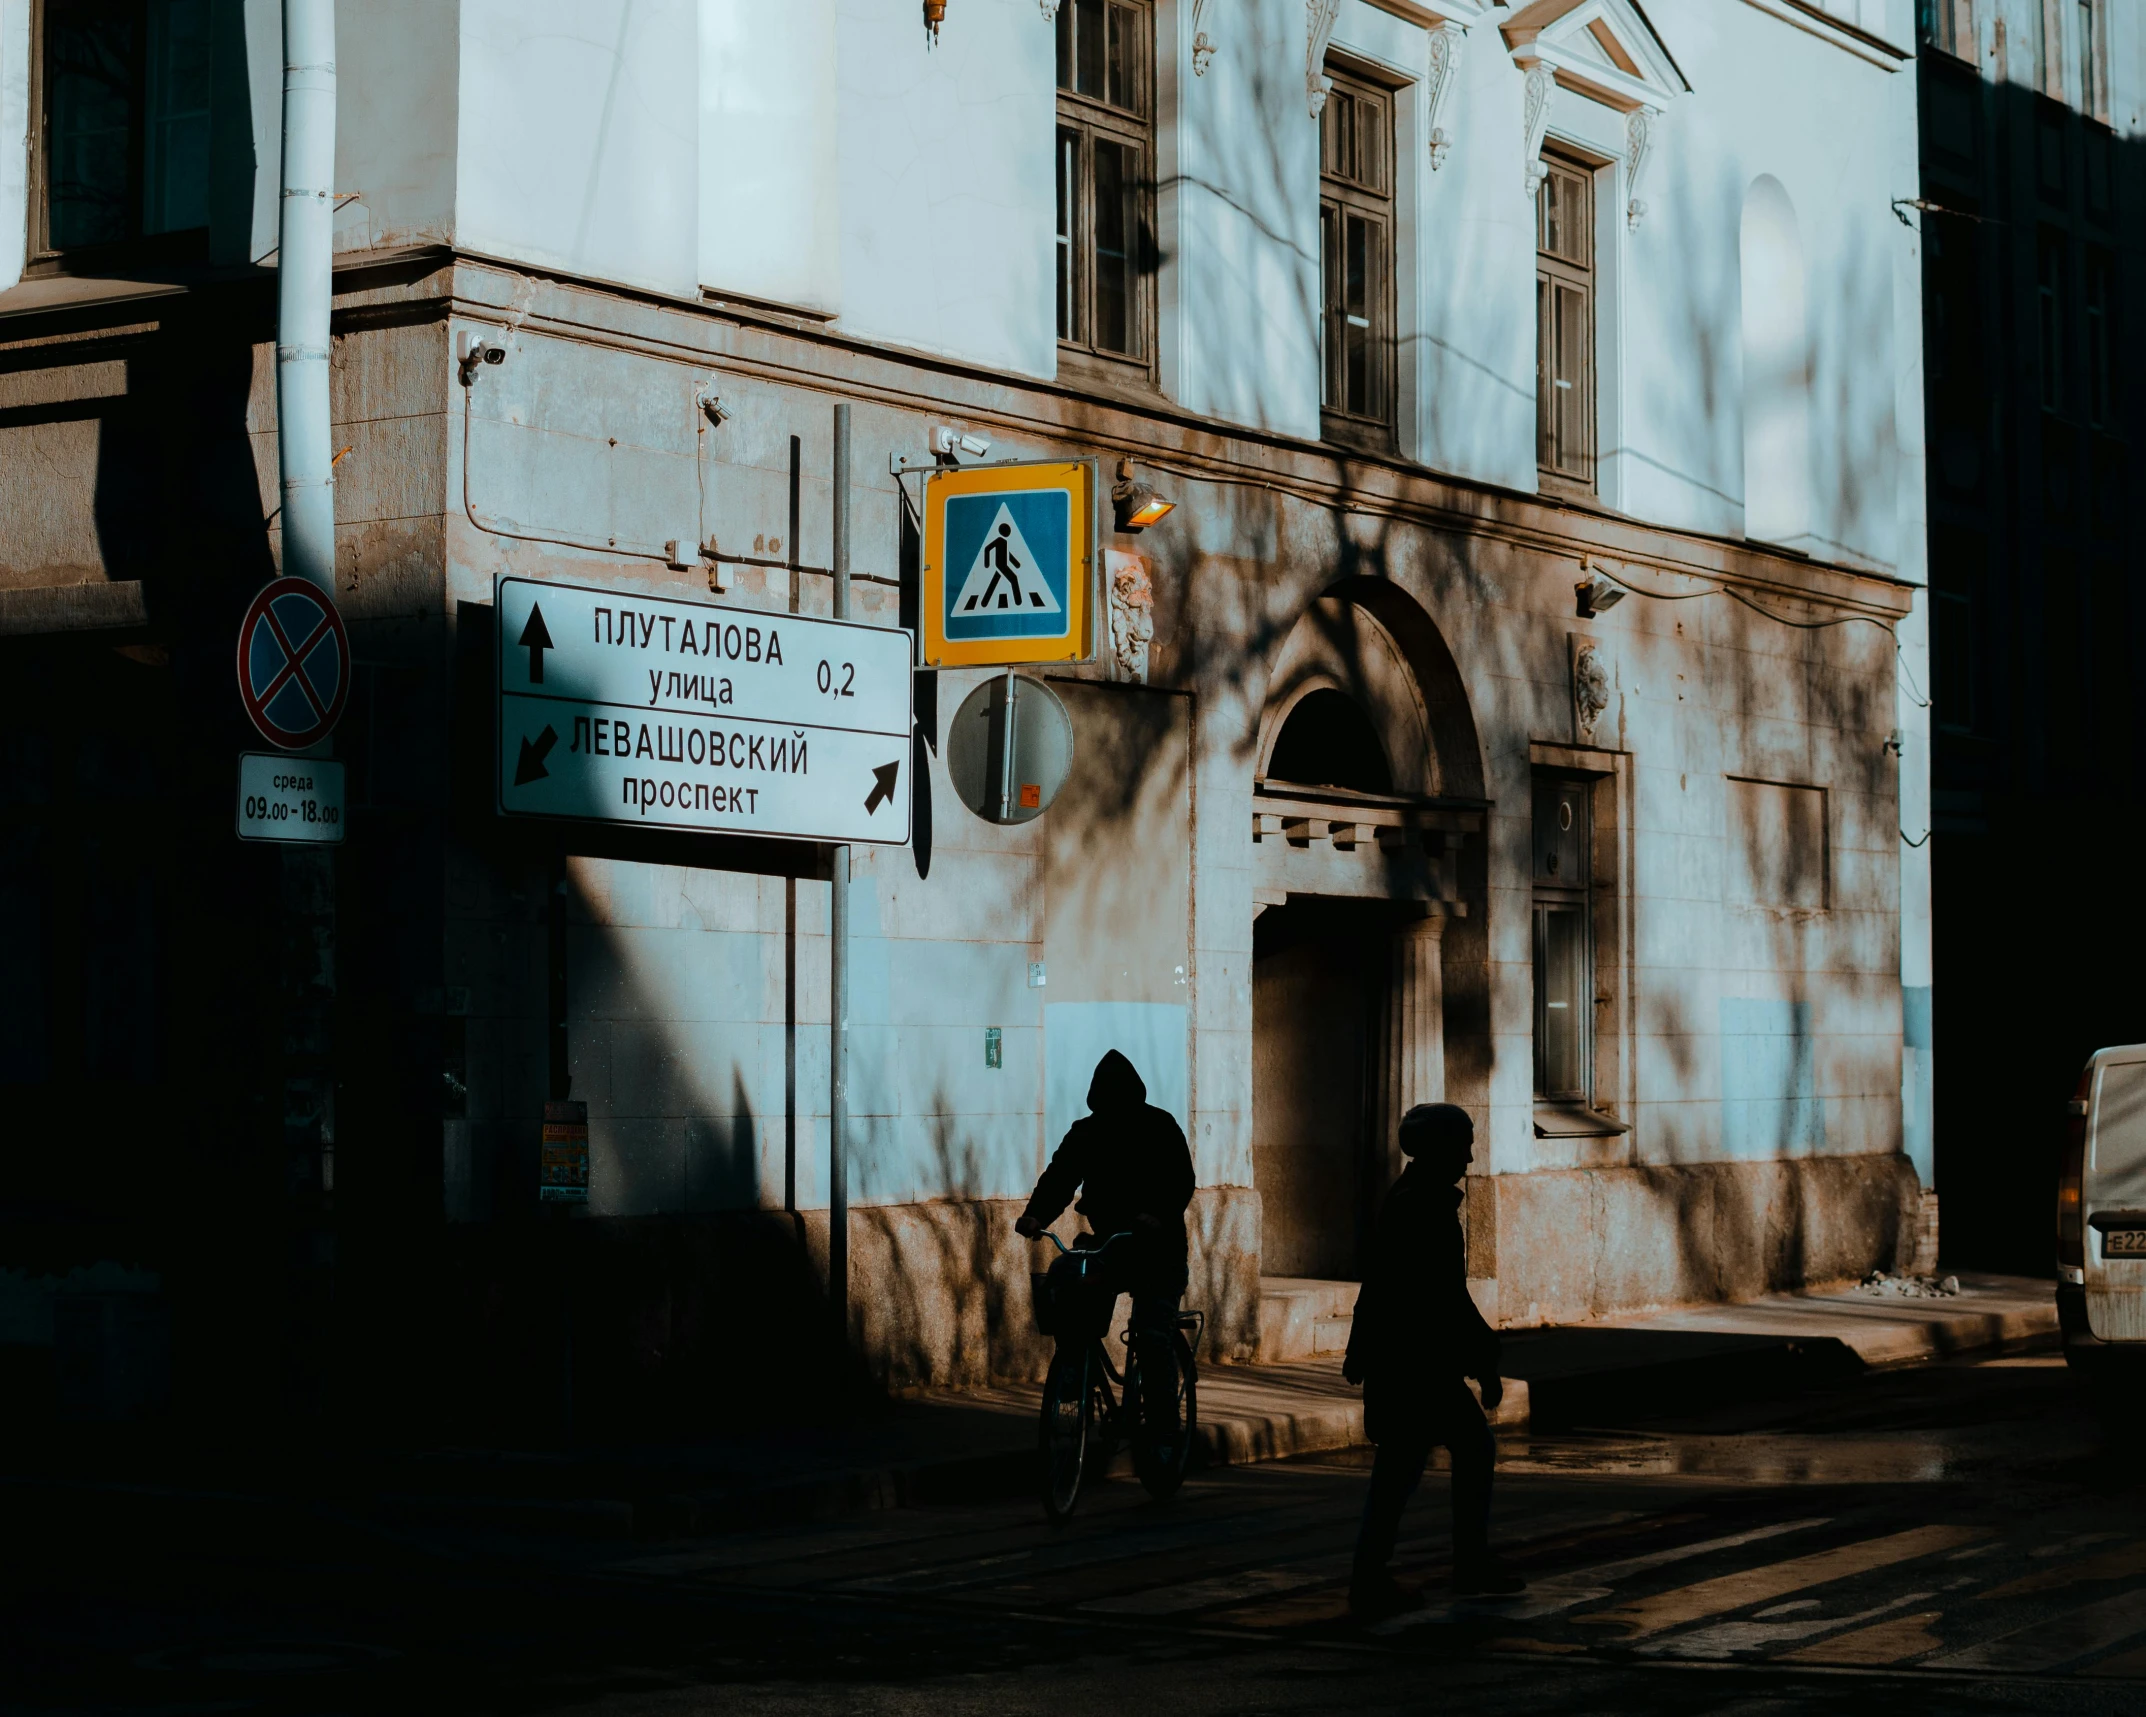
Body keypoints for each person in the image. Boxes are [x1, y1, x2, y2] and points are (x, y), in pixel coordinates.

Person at [1344, 1102, 1525, 1617]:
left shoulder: (1416, 1199)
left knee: (1431, 1459)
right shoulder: (1421, 1207)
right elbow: (1439, 1297)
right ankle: (1382, 1578)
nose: (1470, 1155)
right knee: (1428, 1460)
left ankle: (1425, 1569)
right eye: (1463, 1143)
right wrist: (1484, 1358)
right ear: (1439, 1148)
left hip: (1411, 1360)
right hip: (1415, 1364)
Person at [1015, 1050, 1195, 1341]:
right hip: (1108, 1248)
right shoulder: (1087, 1133)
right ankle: (1071, 1373)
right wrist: (1035, 1215)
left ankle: (1159, 1385)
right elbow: (1060, 1178)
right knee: (1064, 1278)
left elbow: (1180, 1180)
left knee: (1152, 1335)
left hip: (1159, 1250)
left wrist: (1158, 1216)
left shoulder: (1160, 1127)